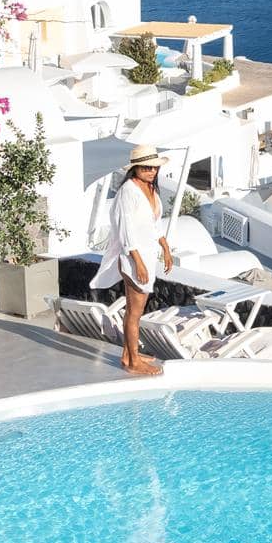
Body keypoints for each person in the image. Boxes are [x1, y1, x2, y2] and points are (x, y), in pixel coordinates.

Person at [90, 144, 173, 377]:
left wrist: (165, 248)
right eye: (145, 167)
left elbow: (155, 224)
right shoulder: (128, 191)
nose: (151, 171)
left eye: (154, 167)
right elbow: (126, 231)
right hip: (134, 258)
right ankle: (133, 361)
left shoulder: (150, 189)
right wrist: (138, 262)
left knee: (134, 309)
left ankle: (129, 354)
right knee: (135, 312)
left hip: (146, 256)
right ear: (135, 168)